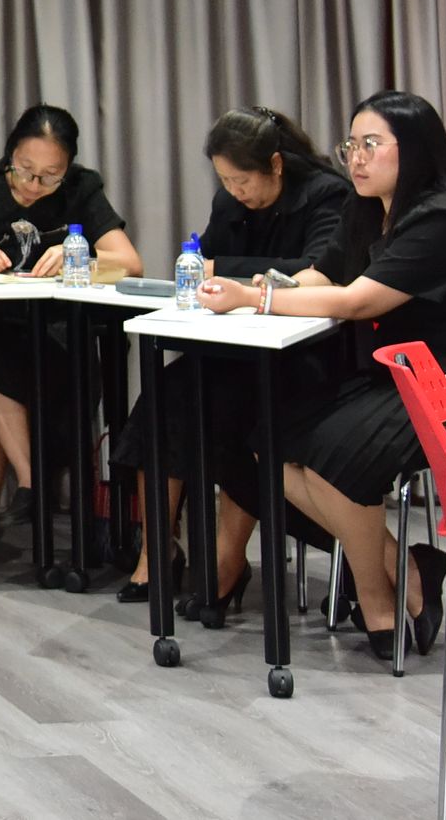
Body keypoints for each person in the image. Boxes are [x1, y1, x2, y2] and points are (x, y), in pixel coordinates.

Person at [197, 90, 446, 660]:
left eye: (371, 145)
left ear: (415, 149)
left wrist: (254, 299)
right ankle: (407, 572)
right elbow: (323, 274)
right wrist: (264, 287)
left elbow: (358, 300)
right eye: (351, 145)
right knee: (271, 442)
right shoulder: (368, 206)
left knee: (336, 457)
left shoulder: (441, 217)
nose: (356, 158)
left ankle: (380, 600)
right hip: (407, 373)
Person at [112, 107, 352, 608]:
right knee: (165, 398)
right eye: (224, 180)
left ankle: (228, 561)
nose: (234, 191)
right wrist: (214, 272)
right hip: (233, 346)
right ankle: (157, 553)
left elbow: (318, 270)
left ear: (276, 165)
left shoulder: (327, 194)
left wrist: (226, 269)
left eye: (242, 180)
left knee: (239, 413)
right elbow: (203, 264)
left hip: (306, 354)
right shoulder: (230, 200)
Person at [0, 105, 141, 582]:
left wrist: (78, 254)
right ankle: (32, 480)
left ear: (68, 169)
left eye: (50, 176)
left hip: (59, 341)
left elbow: (131, 262)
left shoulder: (82, 190)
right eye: (25, 170)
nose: (34, 185)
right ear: (9, 155)